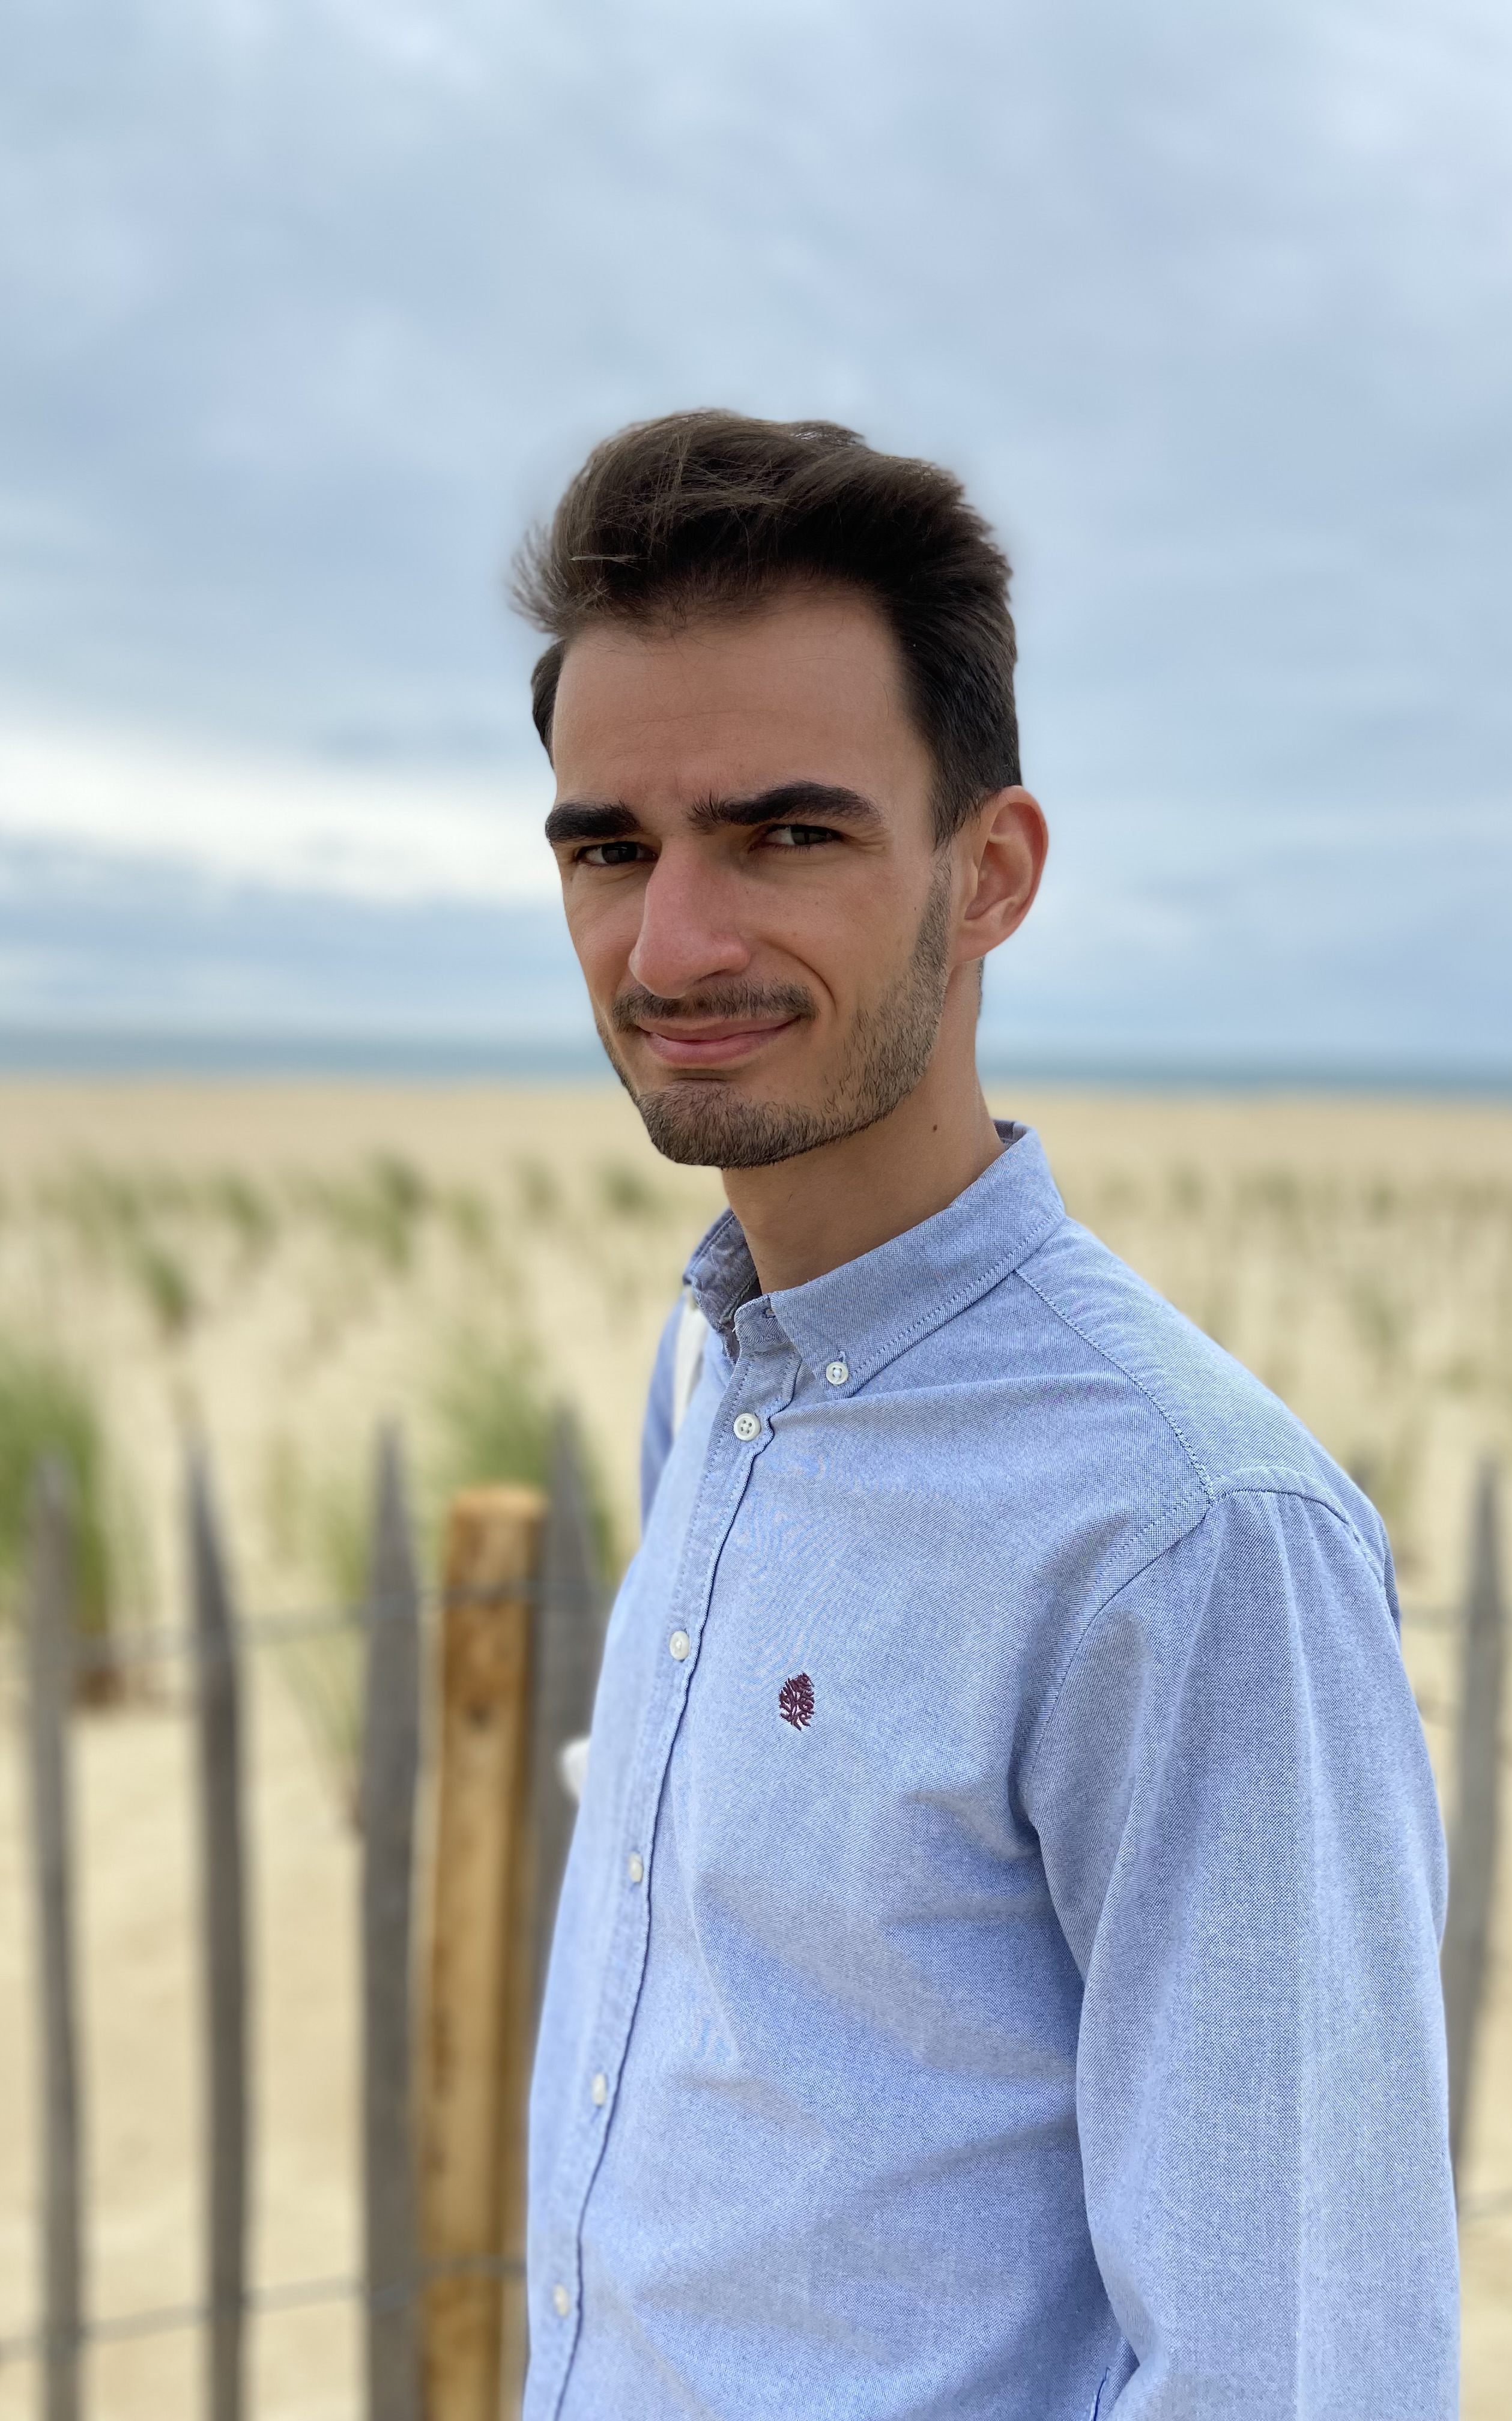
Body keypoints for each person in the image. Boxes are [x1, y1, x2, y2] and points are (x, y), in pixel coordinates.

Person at [515, 411, 1457, 2419]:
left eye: (788, 834)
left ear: (994, 871)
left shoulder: (1188, 1535)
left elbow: (1298, 2372)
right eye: (612, 849)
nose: (672, 944)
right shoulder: (709, 1380)